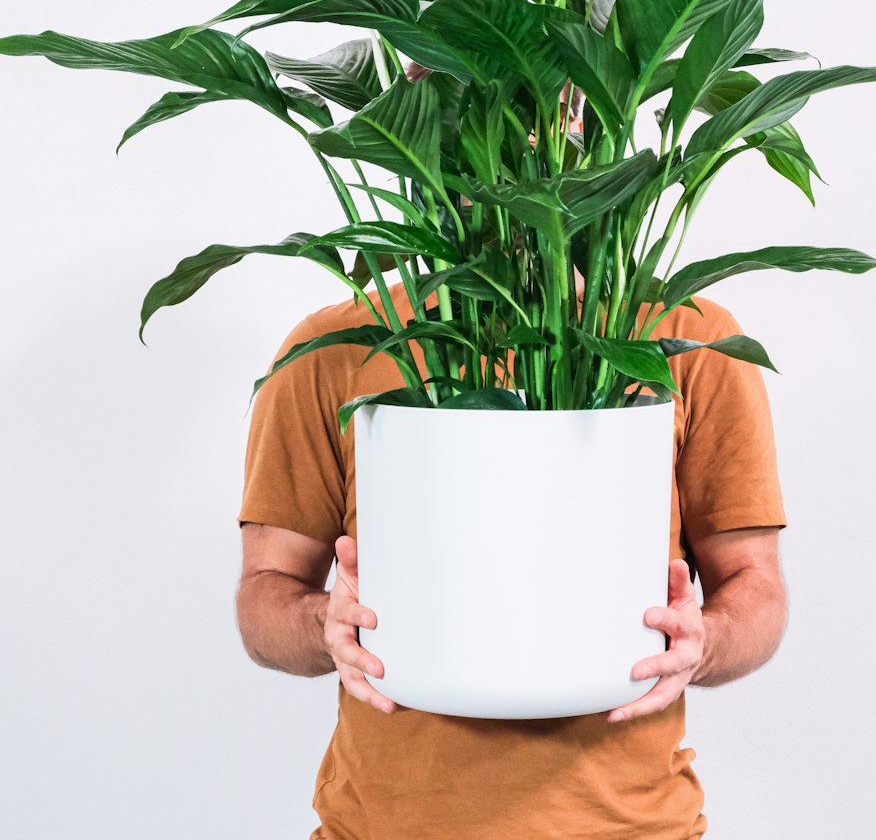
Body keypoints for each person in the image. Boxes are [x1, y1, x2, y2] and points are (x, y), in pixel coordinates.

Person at [235, 72, 789, 840]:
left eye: (514, 105)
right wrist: (322, 622)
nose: (487, 141)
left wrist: (707, 641)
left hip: (630, 827)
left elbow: (755, 588)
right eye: (448, 112)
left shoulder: (689, 341)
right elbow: (264, 597)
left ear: (572, 116)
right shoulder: (331, 349)